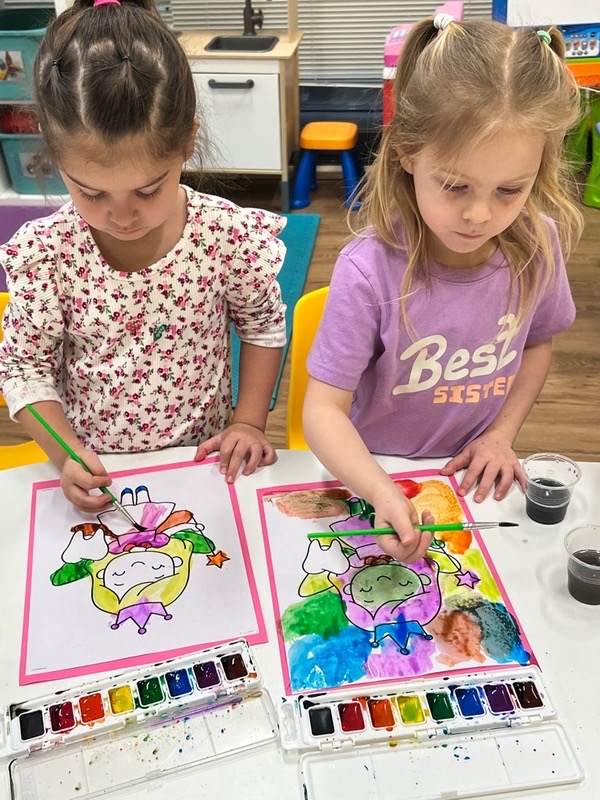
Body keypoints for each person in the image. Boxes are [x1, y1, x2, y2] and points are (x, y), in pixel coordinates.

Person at [303, 15, 582, 564]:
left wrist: (501, 434)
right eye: (455, 186)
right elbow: (323, 410)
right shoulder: (368, 270)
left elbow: (536, 344)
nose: (480, 214)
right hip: (374, 472)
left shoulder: (539, 245)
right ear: (408, 153)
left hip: (470, 477)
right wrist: (379, 490)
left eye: (510, 190)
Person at [0, 0, 286, 512]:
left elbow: (262, 325)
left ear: (187, 144)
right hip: (100, 473)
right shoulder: (49, 254)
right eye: (91, 193)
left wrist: (248, 421)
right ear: (54, 157)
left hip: (203, 464)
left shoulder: (225, 235)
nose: (122, 216)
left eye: (148, 190)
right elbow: (24, 370)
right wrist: (65, 454)